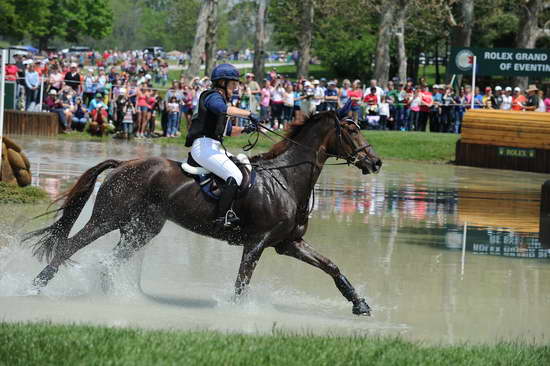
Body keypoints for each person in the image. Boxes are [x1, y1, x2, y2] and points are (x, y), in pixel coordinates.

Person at [184, 64, 260, 228]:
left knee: (242, 168)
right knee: (235, 176)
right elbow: (222, 109)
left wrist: (246, 129)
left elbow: (228, 131)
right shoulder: (212, 96)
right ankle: (222, 217)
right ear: (222, 83)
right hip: (204, 146)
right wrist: (249, 114)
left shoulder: (221, 100)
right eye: (233, 84)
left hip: (214, 146)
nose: (235, 87)